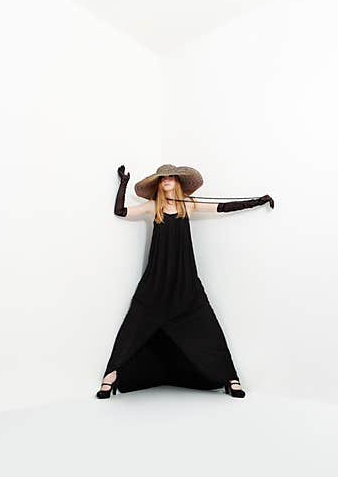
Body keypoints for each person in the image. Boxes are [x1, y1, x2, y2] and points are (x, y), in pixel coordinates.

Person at [97, 163, 274, 400]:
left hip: (185, 280)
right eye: (163, 178)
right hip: (156, 280)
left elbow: (222, 207)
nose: (167, 181)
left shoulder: (188, 205)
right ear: (159, 185)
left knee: (207, 326)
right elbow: (120, 211)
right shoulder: (153, 207)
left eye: (171, 177)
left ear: (178, 183)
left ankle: (230, 378)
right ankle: (112, 375)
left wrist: (256, 201)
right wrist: (123, 184)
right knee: (135, 323)